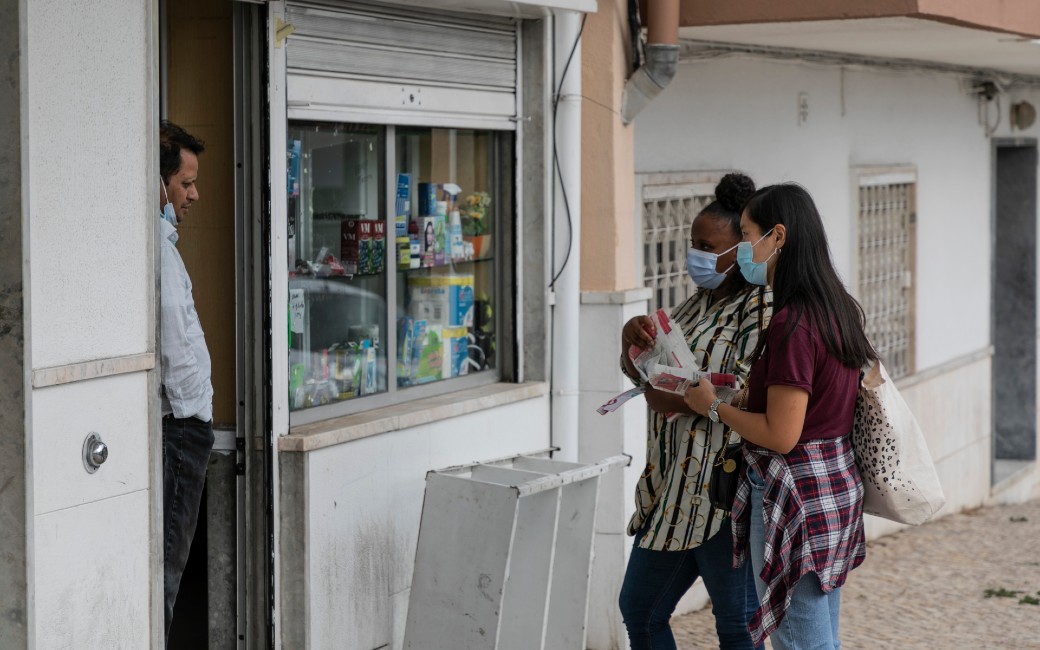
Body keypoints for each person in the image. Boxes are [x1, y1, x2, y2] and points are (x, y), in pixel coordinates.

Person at [684, 183, 876, 650]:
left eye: (747, 235)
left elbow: (782, 434)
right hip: (833, 485)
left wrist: (712, 405)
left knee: (801, 641)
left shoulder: (793, 321)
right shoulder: (837, 308)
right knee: (819, 632)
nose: (742, 248)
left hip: (795, 495)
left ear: (779, 237)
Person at [618, 173, 771, 650]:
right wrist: (632, 342)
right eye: (693, 243)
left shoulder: (761, 306)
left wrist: (680, 399)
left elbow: (749, 390)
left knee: (736, 623)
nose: (696, 255)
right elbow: (646, 373)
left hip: (725, 491)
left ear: (740, 250)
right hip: (672, 490)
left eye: (708, 245)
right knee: (640, 609)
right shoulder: (693, 304)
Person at [158, 120, 214, 642]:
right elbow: (175, 345)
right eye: (185, 183)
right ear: (160, 185)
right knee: (167, 577)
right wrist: (195, 413)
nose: (194, 194)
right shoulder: (157, 248)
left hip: (183, 428)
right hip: (180, 430)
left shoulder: (164, 245)